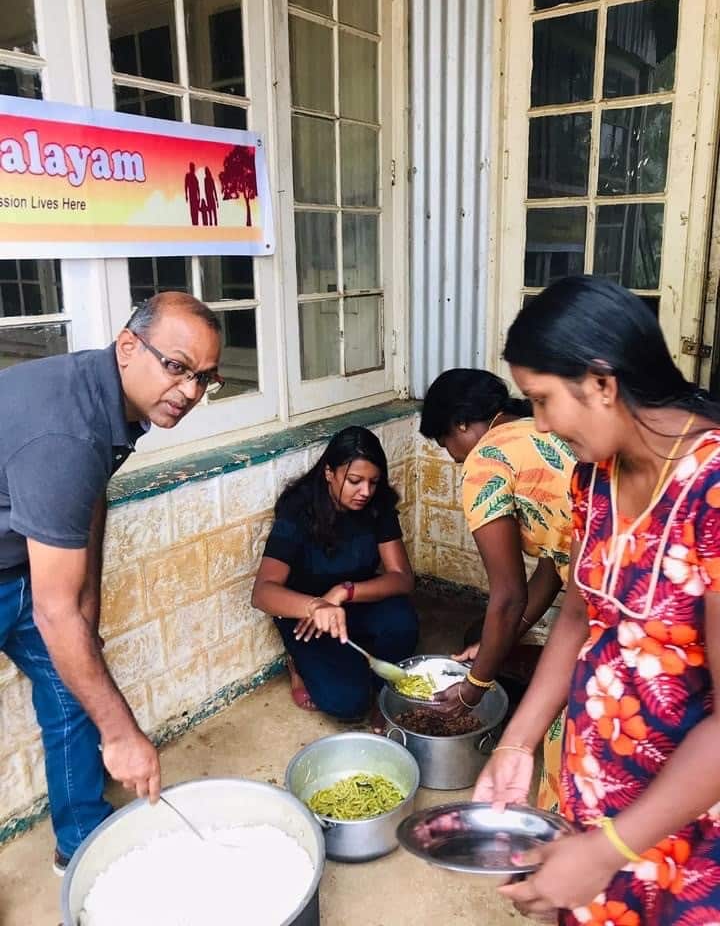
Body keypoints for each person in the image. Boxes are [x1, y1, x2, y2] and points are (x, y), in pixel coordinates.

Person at [475, 275, 720, 925]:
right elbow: (580, 618)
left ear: (602, 384)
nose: (543, 425)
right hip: (592, 787)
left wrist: (609, 850)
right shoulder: (595, 477)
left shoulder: (713, 492)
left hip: (681, 823)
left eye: (544, 400)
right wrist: (517, 743)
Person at [0, 292, 224, 874]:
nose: (191, 392)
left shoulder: (110, 400)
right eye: (178, 367)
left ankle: (81, 844)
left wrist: (90, 595)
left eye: (205, 378)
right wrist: (123, 736)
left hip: (18, 560)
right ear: (128, 347)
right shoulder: (65, 433)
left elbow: (90, 488)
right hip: (24, 574)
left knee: (73, 685)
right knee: (87, 680)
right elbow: (55, 613)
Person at [419, 370, 573, 742]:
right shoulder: (541, 429)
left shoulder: (485, 460)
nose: (453, 458)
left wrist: (474, 686)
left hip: (608, 601)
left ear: (460, 424)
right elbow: (551, 570)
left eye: (444, 442)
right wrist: (493, 645)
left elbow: (508, 597)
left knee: (568, 725)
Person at [252, 426, 417, 720]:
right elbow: (263, 592)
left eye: (373, 482)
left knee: (402, 621)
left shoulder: (377, 506)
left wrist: (344, 591)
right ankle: (297, 662)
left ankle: (381, 691)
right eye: (354, 481)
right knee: (348, 703)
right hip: (306, 615)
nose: (365, 492)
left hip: (355, 600)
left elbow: (402, 577)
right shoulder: (299, 509)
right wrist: (316, 606)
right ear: (329, 472)